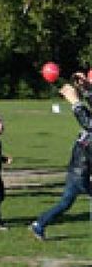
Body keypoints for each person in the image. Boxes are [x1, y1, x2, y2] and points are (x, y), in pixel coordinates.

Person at [30, 78, 92, 240]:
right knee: (66, 202)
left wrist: (83, 94)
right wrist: (78, 100)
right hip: (80, 172)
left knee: (65, 203)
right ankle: (39, 224)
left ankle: (39, 224)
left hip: (78, 170)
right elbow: (89, 123)